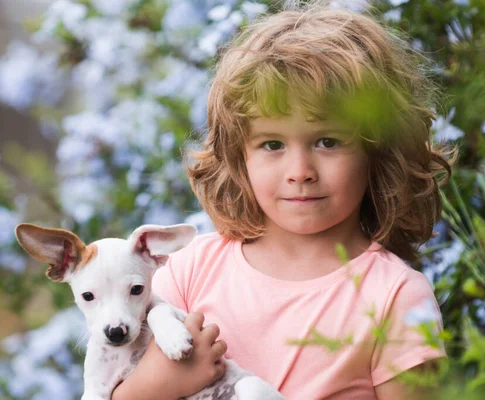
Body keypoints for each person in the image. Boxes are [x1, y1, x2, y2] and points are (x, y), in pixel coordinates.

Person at [113, 1, 456, 399]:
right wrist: (154, 387)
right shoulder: (191, 270)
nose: (300, 170)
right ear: (239, 155)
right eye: (272, 144)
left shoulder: (395, 295)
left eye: (328, 141)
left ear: (379, 151)